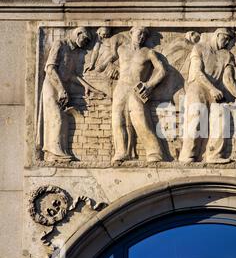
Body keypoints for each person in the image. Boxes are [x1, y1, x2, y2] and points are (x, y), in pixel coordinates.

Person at [179, 28, 236, 164]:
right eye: (225, 38)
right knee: (196, 119)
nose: (226, 42)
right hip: (197, 88)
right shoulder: (199, 48)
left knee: (222, 116)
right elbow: (197, 72)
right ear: (217, 36)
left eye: (229, 40)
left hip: (216, 91)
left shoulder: (227, 55)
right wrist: (212, 89)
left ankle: (214, 155)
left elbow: (228, 79)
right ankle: (188, 155)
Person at [37, 27, 104, 161]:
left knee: (64, 119)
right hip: (52, 85)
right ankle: (52, 152)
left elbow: (71, 75)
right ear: (78, 34)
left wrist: (87, 86)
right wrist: (61, 89)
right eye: (84, 40)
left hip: (62, 88)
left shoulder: (74, 53)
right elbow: (50, 68)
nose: (85, 43)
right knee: (56, 117)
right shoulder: (60, 44)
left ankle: (57, 152)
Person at [105, 27, 167, 163]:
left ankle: (155, 153)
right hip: (120, 88)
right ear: (131, 33)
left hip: (136, 89)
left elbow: (162, 71)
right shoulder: (121, 50)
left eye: (145, 35)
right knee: (118, 120)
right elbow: (107, 65)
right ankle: (121, 152)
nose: (142, 37)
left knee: (141, 120)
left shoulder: (148, 53)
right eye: (140, 33)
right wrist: (112, 69)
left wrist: (150, 85)